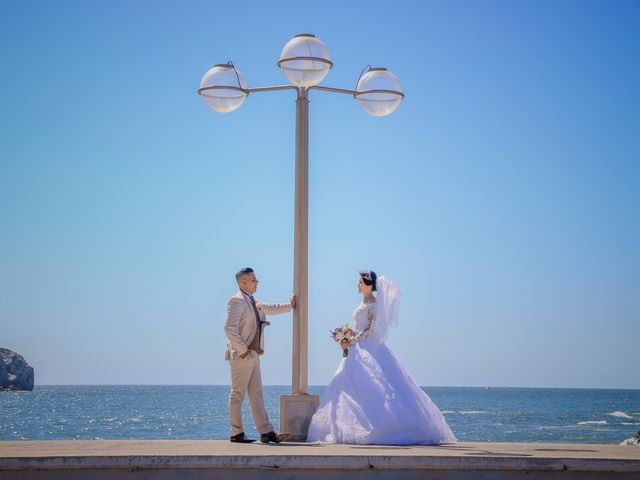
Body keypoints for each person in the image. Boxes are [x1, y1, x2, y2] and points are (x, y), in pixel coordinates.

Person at [306, 270, 457, 445]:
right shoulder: (363, 301)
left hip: (366, 347)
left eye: (360, 282)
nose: (357, 285)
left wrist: (351, 340)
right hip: (356, 346)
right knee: (344, 384)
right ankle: (341, 427)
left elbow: (370, 329)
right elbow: (360, 326)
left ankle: (378, 427)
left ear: (368, 284)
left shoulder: (374, 304)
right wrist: (345, 334)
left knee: (373, 384)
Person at [224, 267, 296, 443]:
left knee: (256, 394)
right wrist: (243, 352)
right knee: (237, 394)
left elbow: (270, 308)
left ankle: (267, 432)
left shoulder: (253, 301)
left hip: (254, 355)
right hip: (241, 356)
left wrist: (290, 306)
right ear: (243, 282)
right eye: (254, 280)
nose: (257, 282)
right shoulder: (236, 301)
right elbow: (229, 328)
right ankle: (236, 433)